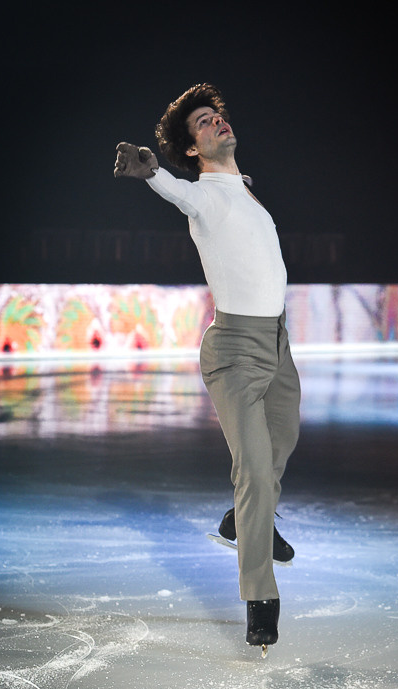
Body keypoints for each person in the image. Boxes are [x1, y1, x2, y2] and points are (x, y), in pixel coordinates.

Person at [114, 83, 301, 653]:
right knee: (253, 468)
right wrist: (151, 171)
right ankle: (260, 599)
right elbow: (179, 195)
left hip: (278, 344)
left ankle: (243, 522)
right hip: (236, 352)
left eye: (216, 114)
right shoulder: (204, 194)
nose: (216, 122)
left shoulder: (243, 192)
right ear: (192, 149)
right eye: (202, 123)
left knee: (280, 447)